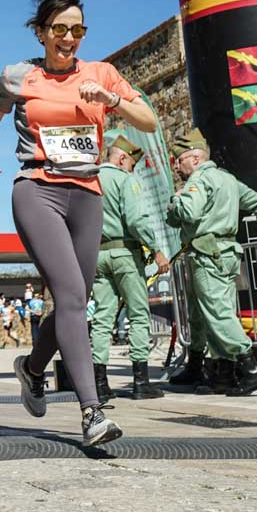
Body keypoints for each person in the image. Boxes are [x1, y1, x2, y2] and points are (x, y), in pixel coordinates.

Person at [0, 0, 157, 447]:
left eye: (78, 29)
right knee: (74, 296)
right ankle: (91, 412)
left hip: (87, 194)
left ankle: (32, 368)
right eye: (60, 28)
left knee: (74, 301)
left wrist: (112, 100)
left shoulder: (102, 74)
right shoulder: (18, 75)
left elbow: (148, 121)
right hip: (37, 189)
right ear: (41, 33)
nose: (69, 37)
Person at [166, 128, 257, 396]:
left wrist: (175, 201)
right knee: (218, 312)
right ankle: (224, 375)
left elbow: (188, 212)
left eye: (180, 160)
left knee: (218, 315)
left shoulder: (198, 180)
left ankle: (251, 371)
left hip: (207, 253)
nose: (177, 166)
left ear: (195, 158)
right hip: (228, 252)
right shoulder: (228, 179)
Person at [90, 135, 171, 402]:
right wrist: (156, 249)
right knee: (138, 314)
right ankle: (141, 382)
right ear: (122, 158)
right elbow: (136, 220)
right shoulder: (124, 180)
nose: (132, 170)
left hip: (97, 254)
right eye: (132, 165)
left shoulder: (89, 179)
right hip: (124, 253)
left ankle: (99, 384)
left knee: (102, 318)